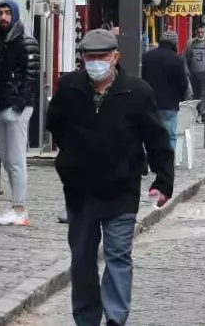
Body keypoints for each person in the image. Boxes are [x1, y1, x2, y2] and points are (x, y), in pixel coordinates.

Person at [47, 29, 174, 326]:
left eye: (101, 57)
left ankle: (116, 319)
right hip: (80, 190)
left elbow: (156, 138)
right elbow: (55, 124)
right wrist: (72, 157)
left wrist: (163, 180)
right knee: (82, 261)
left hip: (122, 188)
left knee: (118, 256)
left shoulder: (137, 91)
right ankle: (87, 318)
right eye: (89, 57)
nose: (95, 63)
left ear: (115, 57)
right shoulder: (69, 88)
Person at [0, 0, 40, 227]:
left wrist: (19, 105)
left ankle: (19, 208)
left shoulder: (27, 42)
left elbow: (31, 77)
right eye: (0, 13)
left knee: (16, 159)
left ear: (15, 15)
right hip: (0, 104)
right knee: (8, 161)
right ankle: (15, 206)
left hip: (16, 106)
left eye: (8, 13)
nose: (3, 17)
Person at [141, 30, 189, 151]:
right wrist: (181, 98)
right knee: (170, 136)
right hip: (169, 104)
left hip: (149, 103)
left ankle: (150, 161)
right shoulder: (177, 60)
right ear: (174, 44)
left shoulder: (147, 56)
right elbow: (183, 83)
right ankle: (166, 164)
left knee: (150, 135)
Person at [184, 24, 205, 120]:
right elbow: (185, 58)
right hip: (193, 73)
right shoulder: (190, 43)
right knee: (196, 94)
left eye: (202, 32)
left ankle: (203, 111)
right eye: (199, 32)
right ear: (195, 32)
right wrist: (187, 71)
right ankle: (197, 112)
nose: (200, 34)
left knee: (204, 93)